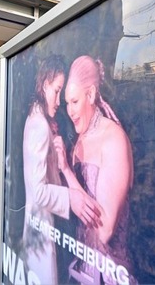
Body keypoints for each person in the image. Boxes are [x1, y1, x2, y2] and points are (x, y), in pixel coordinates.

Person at [55, 55, 136, 285]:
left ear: (90, 95)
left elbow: (104, 231)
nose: (69, 111)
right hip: (80, 268)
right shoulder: (78, 142)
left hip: (110, 273)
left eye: (74, 101)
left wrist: (67, 173)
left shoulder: (114, 139)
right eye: (67, 103)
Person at [21, 55, 101, 284]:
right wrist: (71, 198)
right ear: (45, 84)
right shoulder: (39, 126)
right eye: (57, 91)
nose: (59, 101)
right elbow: (38, 191)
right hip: (42, 233)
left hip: (42, 230)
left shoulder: (38, 119)